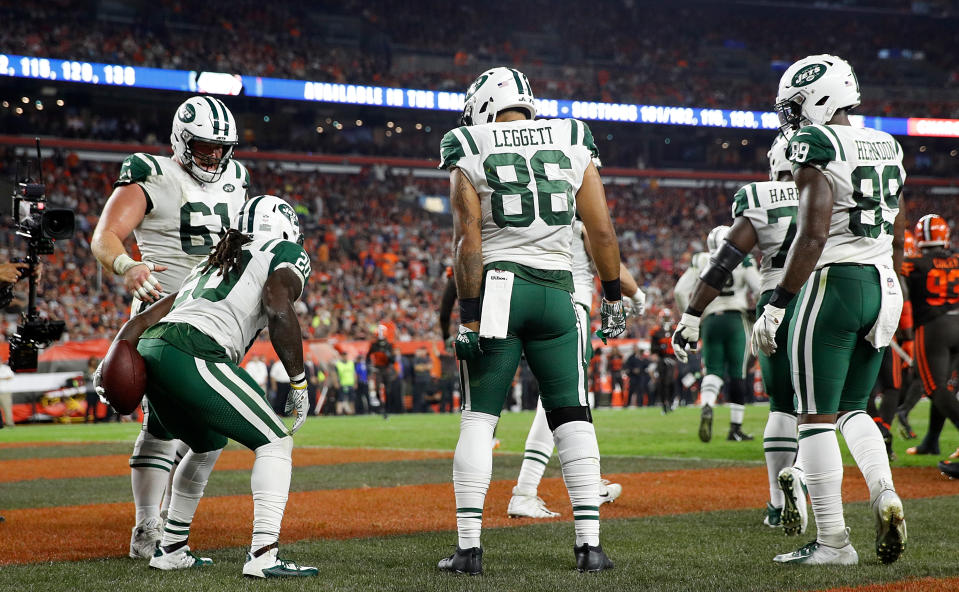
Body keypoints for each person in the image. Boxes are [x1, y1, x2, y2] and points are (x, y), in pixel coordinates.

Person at [437, 66, 626, 575]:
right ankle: (590, 547)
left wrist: (470, 317)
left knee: (479, 418)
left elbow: (467, 240)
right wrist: (612, 295)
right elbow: (601, 231)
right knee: (573, 414)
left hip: (500, 288)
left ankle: (469, 551)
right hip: (559, 293)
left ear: (482, 104)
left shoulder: (467, 144)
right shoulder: (571, 136)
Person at [96, 194, 316, 577]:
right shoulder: (282, 250)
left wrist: (110, 362)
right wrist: (298, 381)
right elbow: (278, 304)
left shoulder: (212, 261)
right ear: (285, 228)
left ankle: (171, 549)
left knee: (207, 444)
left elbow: (144, 319)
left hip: (154, 347)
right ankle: (264, 556)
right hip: (194, 348)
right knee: (276, 442)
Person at [753, 54, 907, 565]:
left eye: (796, 104)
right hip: (884, 282)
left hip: (836, 283)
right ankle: (885, 492)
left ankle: (834, 541)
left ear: (821, 96)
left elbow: (813, 233)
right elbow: (898, 235)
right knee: (855, 409)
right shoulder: (887, 143)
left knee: (814, 419)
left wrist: (778, 303)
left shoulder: (816, 143)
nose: (792, 117)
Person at [91, 96, 250, 559]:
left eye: (222, 148)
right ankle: (150, 526)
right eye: (204, 146)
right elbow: (105, 234)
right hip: (170, 315)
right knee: (171, 426)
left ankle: (160, 525)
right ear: (182, 141)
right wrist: (127, 266)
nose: (214, 157)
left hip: (221, 318)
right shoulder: (151, 173)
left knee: (190, 427)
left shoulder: (238, 179)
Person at [672, 135, 806, 531]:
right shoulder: (827, 194)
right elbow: (747, 278)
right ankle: (865, 495)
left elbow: (686, 289)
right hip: (812, 299)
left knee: (734, 379)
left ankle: (778, 503)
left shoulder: (707, 253)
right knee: (819, 406)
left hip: (716, 312)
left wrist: (690, 315)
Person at [506, 215, 644, 519]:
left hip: (523, 302)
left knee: (567, 397)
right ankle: (527, 490)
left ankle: (588, 481)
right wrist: (636, 294)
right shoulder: (579, 222)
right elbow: (607, 255)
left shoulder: (537, 214)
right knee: (568, 398)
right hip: (568, 309)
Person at [675, 225, 760, 442]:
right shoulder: (744, 258)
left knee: (712, 370)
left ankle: (706, 404)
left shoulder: (701, 260)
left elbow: (679, 291)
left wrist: (695, 317)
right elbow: (758, 287)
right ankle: (735, 428)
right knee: (738, 373)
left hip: (711, 319)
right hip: (735, 318)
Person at [899, 215, 959, 463]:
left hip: (934, 327)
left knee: (934, 387)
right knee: (943, 385)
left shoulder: (912, 264)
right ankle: (931, 441)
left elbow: (901, 292)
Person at [0, 361, 14, 429]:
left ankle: (9, 424)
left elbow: (10, 376)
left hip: (5, 392)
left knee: (7, 408)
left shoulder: (6, 368)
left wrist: (1, 378)